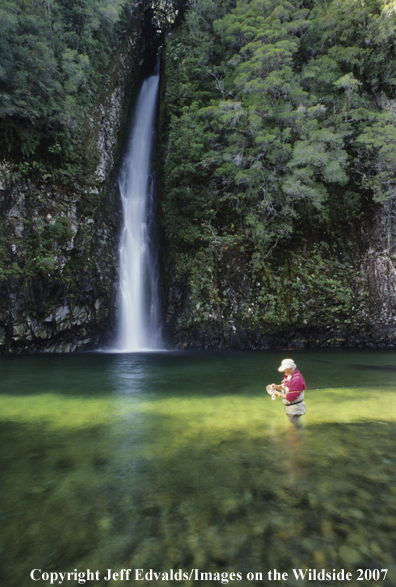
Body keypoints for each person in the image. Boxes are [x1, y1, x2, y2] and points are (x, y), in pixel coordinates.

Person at [270, 358, 306, 428]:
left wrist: (278, 394)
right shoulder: (289, 376)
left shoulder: (297, 379)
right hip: (290, 408)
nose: (284, 371)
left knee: (295, 425)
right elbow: (286, 387)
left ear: (291, 368)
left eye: (285, 369)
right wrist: (277, 386)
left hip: (296, 408)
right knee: (293, 424)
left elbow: (291, 397)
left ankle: (301, 435)